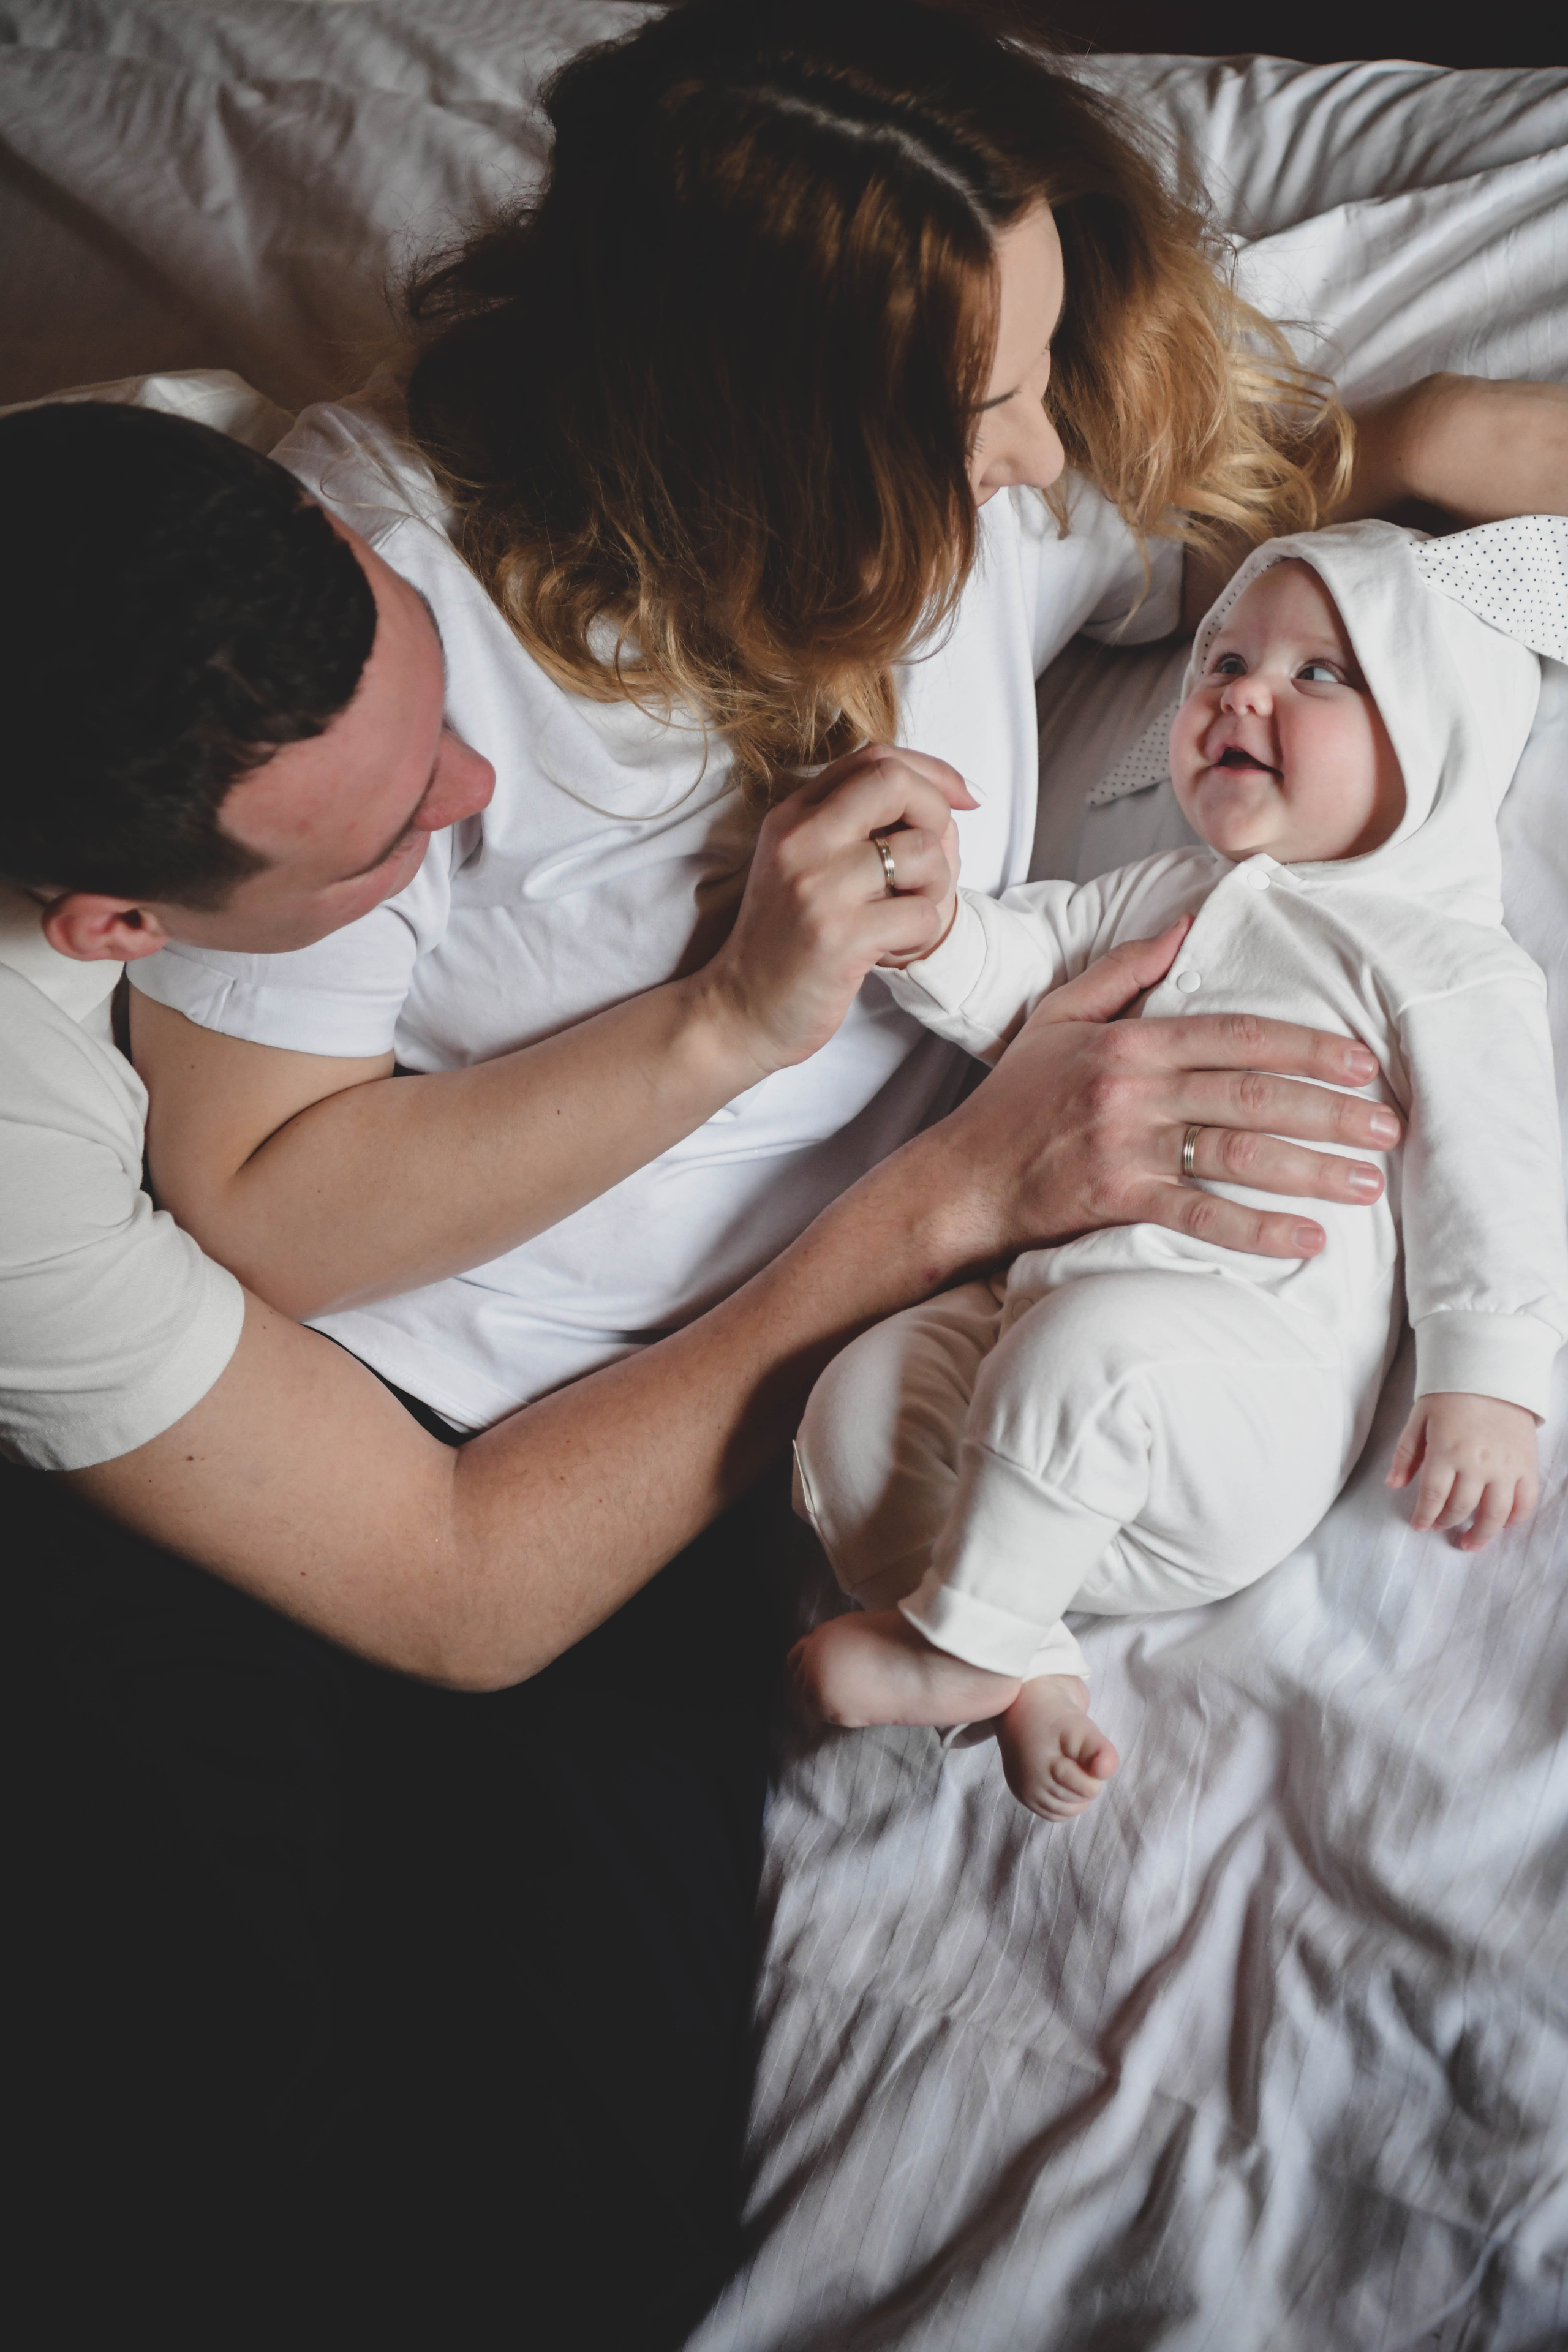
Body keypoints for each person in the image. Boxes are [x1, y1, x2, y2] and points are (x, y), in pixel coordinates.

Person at [4, 398, 1392, 2347]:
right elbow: (454, 1576)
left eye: (434, 698)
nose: (474, 782)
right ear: (116, 934)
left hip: (510, 1450)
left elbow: (1249, 471)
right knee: (170, 2122)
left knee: (580, 2224)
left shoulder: (149, 493)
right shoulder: (17, 1157)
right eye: (406, 829)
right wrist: (938, 1202)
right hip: (229, 1482)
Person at [791, 516, 1568, 1820]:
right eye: (1219, 663)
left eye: (1322, 674)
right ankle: (1012, 1647)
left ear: (1432, 731)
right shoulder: (1171, 889)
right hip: (1032, 1360)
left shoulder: (1440, 958)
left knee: (1089, 1357)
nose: (1241, 691)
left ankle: (953, 1651)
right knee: (856, 1411)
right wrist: (922, 923)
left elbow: (1497, 1180)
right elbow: (1020, 960)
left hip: (1237, 1394)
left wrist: (1488, 1379)